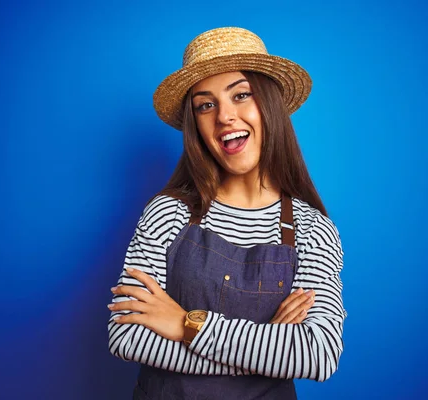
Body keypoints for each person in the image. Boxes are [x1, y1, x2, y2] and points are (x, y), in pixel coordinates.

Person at [107, 27, 346, 400]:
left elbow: (317, 354)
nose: (224, 117)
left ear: (268, 105)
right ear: (196, 125)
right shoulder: (167, 213)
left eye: (241, 95)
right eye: (206, 104)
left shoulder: (313, 230)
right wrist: (268, 351)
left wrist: (186, 324)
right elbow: (126, 335)